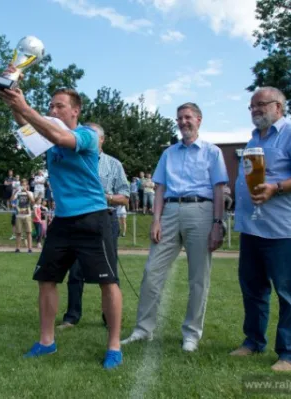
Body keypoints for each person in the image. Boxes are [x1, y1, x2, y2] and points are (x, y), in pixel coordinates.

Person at [0, 82, 124, 369]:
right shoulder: (47, 136)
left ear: (75, 111)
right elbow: (27, 123)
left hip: (94, 217)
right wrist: (11, 98)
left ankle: (114, 346)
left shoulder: (87, 135)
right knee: (46, 279)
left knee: (108, 282)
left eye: (60, 106)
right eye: (51, 106)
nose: (53, 110)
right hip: (63, 220)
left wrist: (24, 106)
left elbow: (57, 134)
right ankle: (46, 342)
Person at [230, 87, 291, 372]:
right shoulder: (253, 139)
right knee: (253, 289)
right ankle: (253, 341)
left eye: (261, 104)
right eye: (252, 106)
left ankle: (289, 354)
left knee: (288, 294)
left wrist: (277, 187)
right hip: (252, 228)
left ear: (279, 107)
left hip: (283, 230)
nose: (255, 110)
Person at [121, 102, 228, 353]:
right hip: (169, 211)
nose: (183, 122)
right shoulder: (169, 153)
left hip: (201, 211)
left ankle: (191, 334)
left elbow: (219, 189)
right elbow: (159, 188)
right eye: (179, 118)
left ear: (199, 120)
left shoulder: (212, 152)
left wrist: (217, 223)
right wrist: (156, 219)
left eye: (187, 117)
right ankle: (143, 330)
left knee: (198, 277)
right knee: (151, 272)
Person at [58, 122, 129, 330]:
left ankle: (110, 318)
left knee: (108, 272)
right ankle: (71, 317)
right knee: (75, 271)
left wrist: (104, 197)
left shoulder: (114, 164)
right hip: (78, 219)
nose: (86, 138)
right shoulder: (75, 159)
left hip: (106, 219)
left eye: (92, 136)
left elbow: (125, 197)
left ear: (102, 140)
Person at [11, 178, 34, 253]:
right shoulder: (18, 193)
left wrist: (26, 191)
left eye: (25, 185)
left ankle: (30, 248)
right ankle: (17, 248)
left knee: (29, 232)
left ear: (27, 185)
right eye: (22, 185)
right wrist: (15, 192)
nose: (23, 186)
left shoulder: (30, 193)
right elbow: (11, 200)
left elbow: (33, 201)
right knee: (18, 233)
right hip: (19, 215)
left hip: (27, 215)